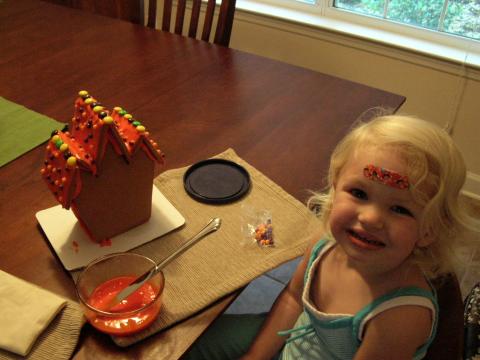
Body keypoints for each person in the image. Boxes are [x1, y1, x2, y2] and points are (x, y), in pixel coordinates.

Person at [184, 114, 478, 360]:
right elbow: (291, 300)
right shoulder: (325, 243)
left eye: (400, 209)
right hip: (297, 333)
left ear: (428, 230)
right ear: (335, 187)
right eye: (359, 193)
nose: (371, 218)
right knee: (187, 343)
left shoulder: (399, 316)